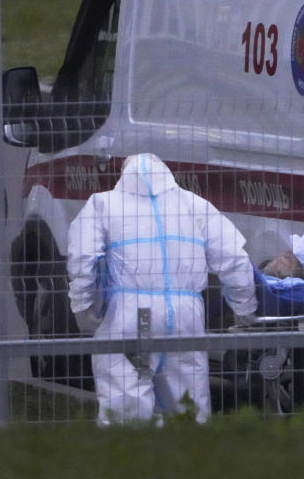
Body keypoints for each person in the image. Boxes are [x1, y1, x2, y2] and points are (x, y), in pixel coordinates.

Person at [67, 152, 257, 425]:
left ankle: (132, 464)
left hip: (134, 317)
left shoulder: (103, 205)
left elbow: (82, 260)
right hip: (185, 316)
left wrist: (84, 307)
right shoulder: (196, 206)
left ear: (123, 173)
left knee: (128, 407)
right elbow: (235, 260)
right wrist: (245, 309)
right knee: (188, 407)